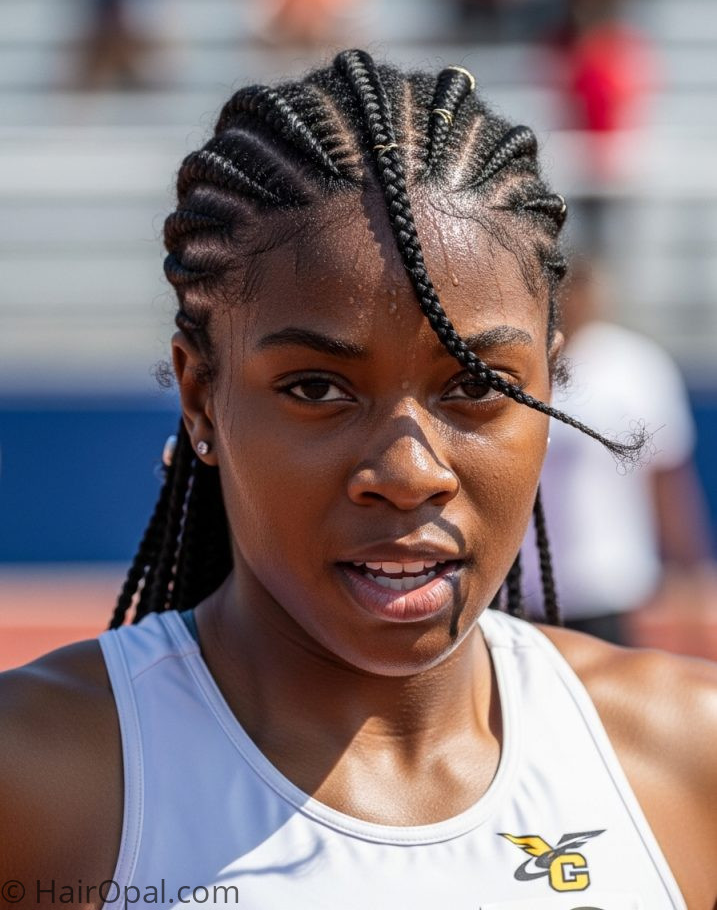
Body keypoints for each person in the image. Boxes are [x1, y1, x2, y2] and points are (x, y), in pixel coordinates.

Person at [1, 51, 715, 908]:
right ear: (200, 397)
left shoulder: (684, 755)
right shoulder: (36, 780)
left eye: (477, 386)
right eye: (316, 389)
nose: (408, 474)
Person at [521, 255, 715, 645]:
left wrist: (692, 573)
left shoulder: (635, 366)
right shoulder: (515, 360)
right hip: (520, 590)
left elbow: (668, 480)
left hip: (611, 588)